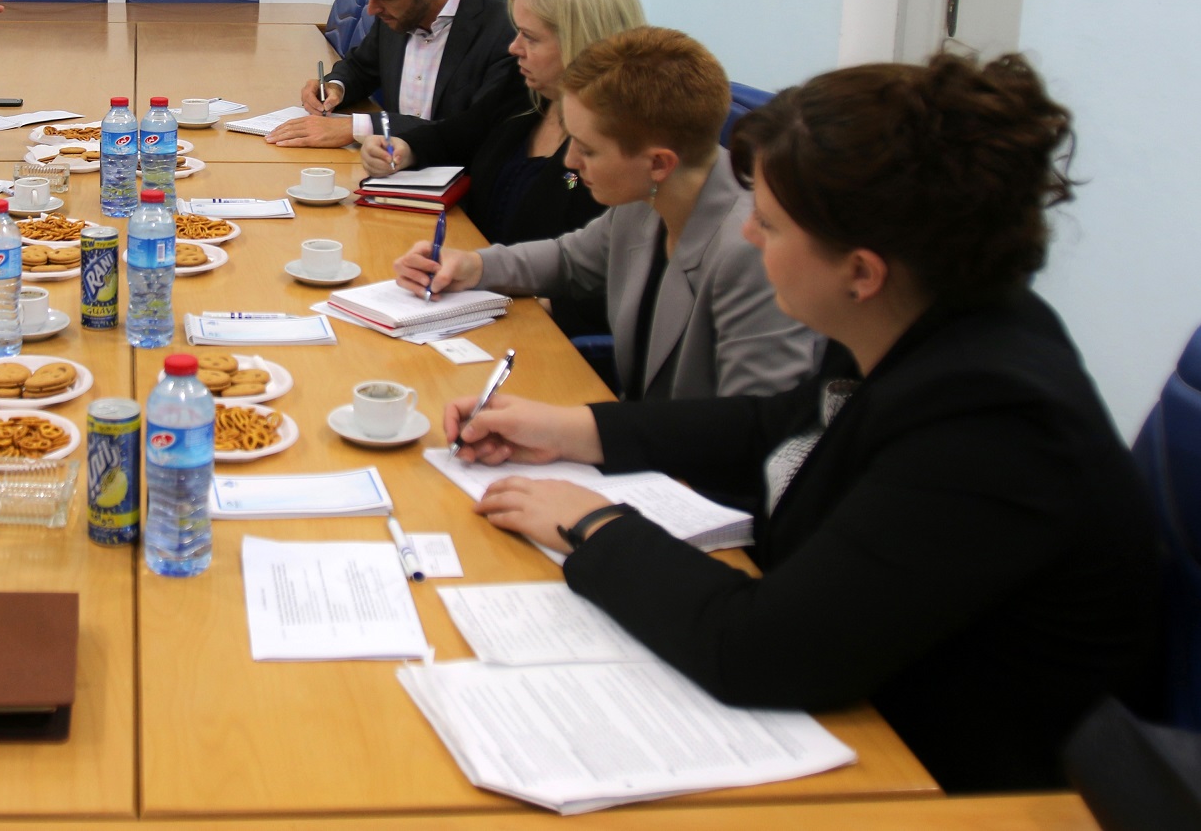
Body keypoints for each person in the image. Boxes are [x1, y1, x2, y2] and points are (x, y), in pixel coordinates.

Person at [440, 53, 1159, 793]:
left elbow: (759, 648)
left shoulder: (992, 425)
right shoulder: (919, 318)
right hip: (878, 701)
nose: (749, 235)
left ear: (862, 272)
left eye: (771, 223)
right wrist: (572, 431)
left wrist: (594, 525)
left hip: (953, 777)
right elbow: (776, 423)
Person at [397, 27, 814, 401]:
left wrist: (587, 433)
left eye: (588, 149)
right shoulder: (649, 196)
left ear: (658, 163)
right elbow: (569, 259)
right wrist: (472, 265)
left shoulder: (749, 253)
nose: (570, 162)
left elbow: (750, 428)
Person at [358, 0, 645, 336]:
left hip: (534, 329)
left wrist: (538, 306)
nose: (513, 48)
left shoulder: (624, 149)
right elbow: (462, 132)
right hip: (474, 289)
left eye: (531, 37)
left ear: (582, 43)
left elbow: (626, 283)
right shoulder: (525, 91)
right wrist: (404, 147)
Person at [265, 0, 516, 148]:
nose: (371, 9)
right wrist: (335, 87)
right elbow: (361, 67)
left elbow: (472, 130)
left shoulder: (506, 30)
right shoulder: (397, 11)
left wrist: (359, 127)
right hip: (389, 163)